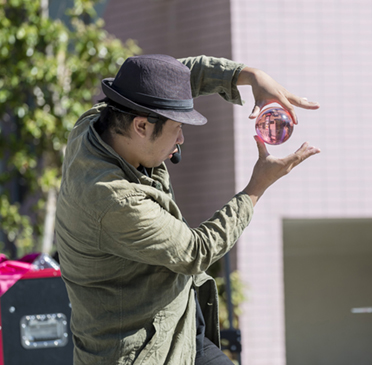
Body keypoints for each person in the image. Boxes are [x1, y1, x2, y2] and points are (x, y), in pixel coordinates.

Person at [55, 54, 320, 365]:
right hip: (143, 354)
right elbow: (196, 250)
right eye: (177, 127)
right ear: (142, 125)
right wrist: (255, 188)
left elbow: (174, 78)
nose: (181, 139)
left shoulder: (102, 120)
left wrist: (251, 76)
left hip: (179, 329)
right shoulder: (114, 199)